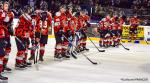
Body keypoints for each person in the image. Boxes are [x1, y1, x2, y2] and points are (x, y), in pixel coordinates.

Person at [3, 1, 14, 72]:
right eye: (5, 6)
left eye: (7, 6)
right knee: (1, 51)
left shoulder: (11, 14)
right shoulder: (1, 13)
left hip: (7, 35)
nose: (6, 7)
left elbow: (11, 23)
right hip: (1, 35)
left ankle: (4, 64)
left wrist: (11, 29)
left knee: (7, 49)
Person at [0, 1, 8, 81]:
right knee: (1, 54)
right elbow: (6, 19)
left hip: (1, 35)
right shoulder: (2, 13)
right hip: (0, 35)